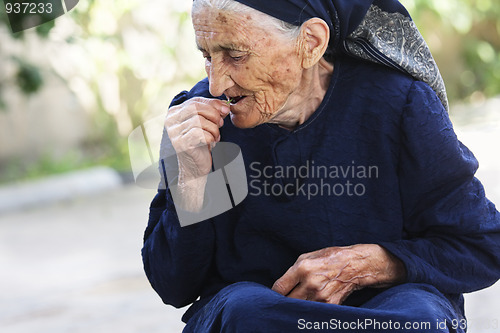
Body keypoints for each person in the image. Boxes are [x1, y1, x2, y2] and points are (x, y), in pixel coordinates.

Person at [142, 0, 500, 332]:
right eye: (207, 55)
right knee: (244, 309)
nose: (217, 84)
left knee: (419, 315)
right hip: (259, 317)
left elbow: (481, 245)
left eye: (235, 55)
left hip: (383, 310)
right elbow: (174, 285)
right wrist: (190, 176)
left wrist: (371, 264)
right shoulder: (200, 124)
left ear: (311, 43)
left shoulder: (397, 104)